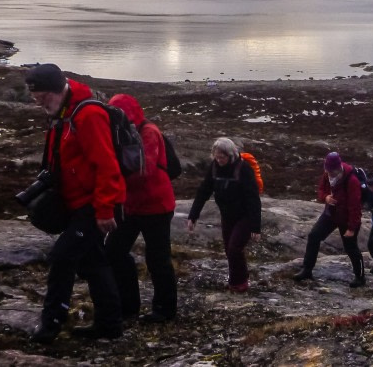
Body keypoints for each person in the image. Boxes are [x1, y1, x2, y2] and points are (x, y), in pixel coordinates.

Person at [25, 64, 125, 343]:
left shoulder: (88, 115)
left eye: (42, 97)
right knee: (93, 263)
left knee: (62, 257)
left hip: (94, 205)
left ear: (57, 90)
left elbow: (107, 167)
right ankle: (109, 325)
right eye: (36, 98)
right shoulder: (64, 114)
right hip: (79, 203)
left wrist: (105, 210)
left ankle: (51, 324)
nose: (40, 103)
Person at [105, 94, 177, 323]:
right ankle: (128, 305)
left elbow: (145, 169)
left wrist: (110, 176)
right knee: (114, 252)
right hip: (131, 206)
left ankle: (165, 310)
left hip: (157, 206)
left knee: (157, 259)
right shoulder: (119, 133)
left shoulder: (149, 132)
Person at [187, 137, 261, 292]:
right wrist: (193, 215)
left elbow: (253, 198)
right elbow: (204, 191)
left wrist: (255, 226)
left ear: (231, 155)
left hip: (244, 216)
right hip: (227, 215)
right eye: (216, 156)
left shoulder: (244, 169)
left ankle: (239, 283)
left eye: (222, 157)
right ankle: (239, 279)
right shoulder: (214, 167)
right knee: (229, 250)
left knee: (234, 248)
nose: (219, 160)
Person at [293, 152, 365, 288]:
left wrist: (351, 228)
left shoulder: (352, 181)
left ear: (338, 169)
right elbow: (321, 190)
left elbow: (355, 206)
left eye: (331, 171)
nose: (328, 173)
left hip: (346, 218)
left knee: (351, 247)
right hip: (330, 214)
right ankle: (307, 270)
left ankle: (360, 277)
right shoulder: (327, 174)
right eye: (327, 170)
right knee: (314, 236)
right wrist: (325, 197)